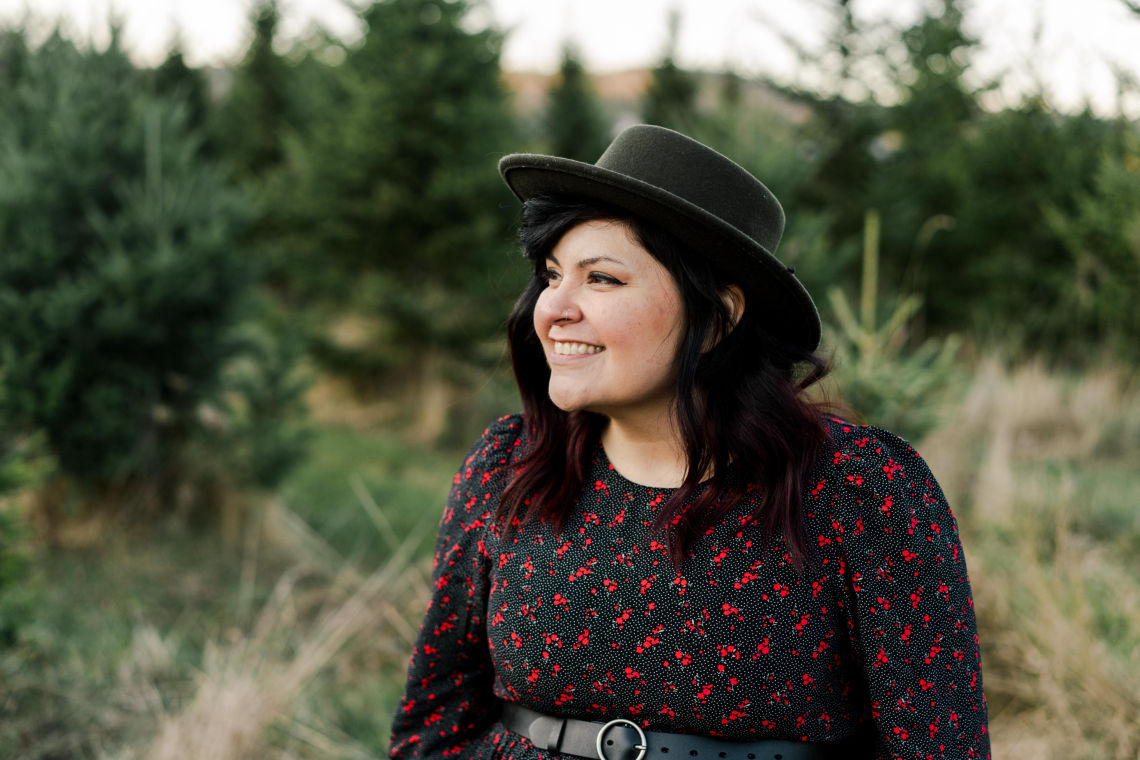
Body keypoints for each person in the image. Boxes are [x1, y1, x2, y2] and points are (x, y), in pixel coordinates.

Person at [389, 125, 989, 760]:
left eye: (602, 280)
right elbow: (435, 723)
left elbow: (938, 746)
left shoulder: (858, 487)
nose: (552, 308)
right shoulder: (509, 465)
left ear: (717, 321)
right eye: (551, 273)